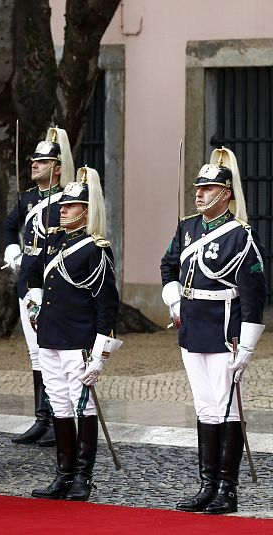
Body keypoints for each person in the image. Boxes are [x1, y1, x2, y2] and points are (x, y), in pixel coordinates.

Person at [161, 147, 266, 515]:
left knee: (227, 409)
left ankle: (228, 489)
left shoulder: (241, 236)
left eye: (207, 188)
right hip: (192, 327)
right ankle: (207, 485)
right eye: (198, 187)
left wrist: (248, 346)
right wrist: (174, 300)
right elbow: (168, 265)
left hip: (226, 332)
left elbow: (254, 296)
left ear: (226, 193)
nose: (199, 193)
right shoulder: (187, 227)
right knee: (206, 407)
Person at [27, 166, 120, 502]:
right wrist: (34, 305)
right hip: (50, 337)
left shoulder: (97, 249)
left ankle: (83, 477)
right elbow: (33, 276)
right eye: (62, 205)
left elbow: (107, 305)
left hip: (79, 341)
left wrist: (100, 354)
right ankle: (63, 474)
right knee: (59, 406)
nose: (62, 209)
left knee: (83, 409)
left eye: (71, 205)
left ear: (86, 209)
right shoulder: (54, 241)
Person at [2, 127, 74, 447]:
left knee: (54, 352)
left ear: (57, 167)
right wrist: (12, 250)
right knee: (36, 354)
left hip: (53, 285)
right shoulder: (27, 198)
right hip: (26, 283)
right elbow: (8, 227)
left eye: (43, 161)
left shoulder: (68, 198)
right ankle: (41, 418)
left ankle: (61, 417)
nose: (35, 165)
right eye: (35, 160)